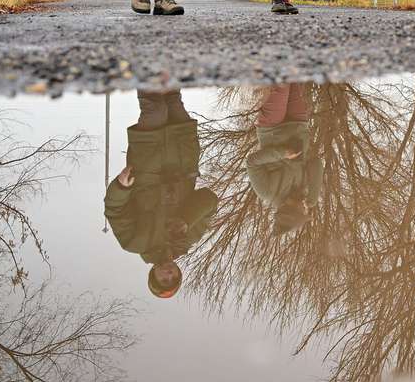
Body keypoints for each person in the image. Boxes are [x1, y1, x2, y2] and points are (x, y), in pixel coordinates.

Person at [104, 90, 219, 299]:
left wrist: (121, 187)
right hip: (183, 157)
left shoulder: (134, 242)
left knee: (155, 108)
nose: (168, 274)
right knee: (173, 98)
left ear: (153, 274)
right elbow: (210, 200)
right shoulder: (189, 238)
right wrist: (186, 219)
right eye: (173, 278)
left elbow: (114, 210)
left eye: (163, 279)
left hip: (149, 162)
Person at [246, 83, 322, 236]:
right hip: (298, 126)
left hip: (272, 128)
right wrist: (313, 196)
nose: (304, 208)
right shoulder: (304, 190)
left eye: (301, 211)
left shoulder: (267, 192)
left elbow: (252, 162)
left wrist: (282, 153)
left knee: (281, 84)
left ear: (290, 209)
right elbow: (316, 164)